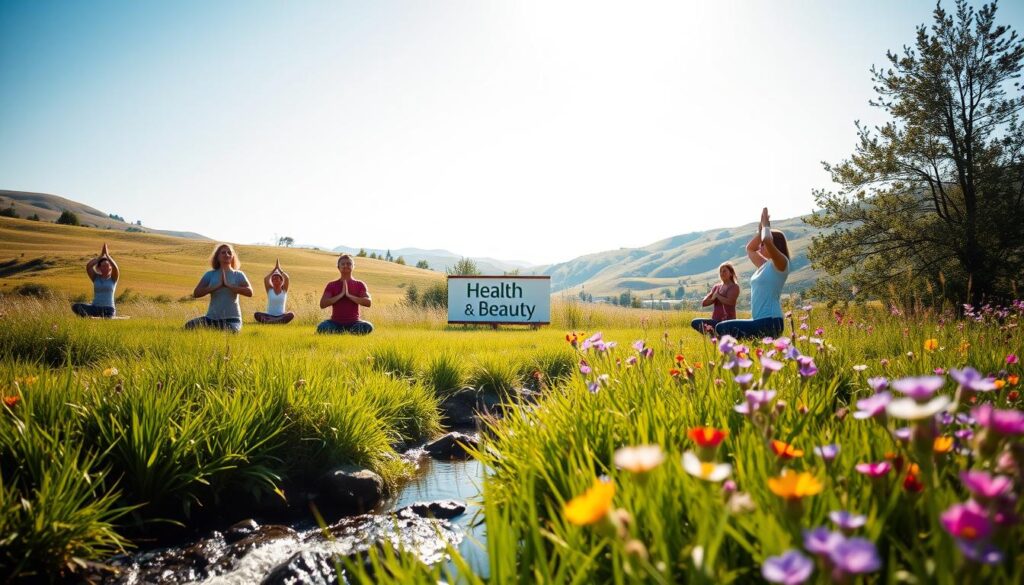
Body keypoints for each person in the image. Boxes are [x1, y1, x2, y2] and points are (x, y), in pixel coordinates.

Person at [714, 207, 790, 339]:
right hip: (759, 320)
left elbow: (767, 240)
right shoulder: (764, 265)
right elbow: (750, 248)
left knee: (722, 328)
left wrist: (766, 226)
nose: (760, 246)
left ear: (774, 245)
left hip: (770, 321)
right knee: (722, 327)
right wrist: (761, 229)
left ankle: (735, 358)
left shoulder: (781, 263)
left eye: (763, 244)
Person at [185, 243, 252, 332]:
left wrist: (230, 286)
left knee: (231, 332)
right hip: (211, 319)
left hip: (232, 320)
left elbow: (250, 292)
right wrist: (215, 287)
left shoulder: (238, 274)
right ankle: (212, 328)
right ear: (217, 257)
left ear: (232, 257)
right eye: (223, 252)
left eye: (229, 253)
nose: (227, 255)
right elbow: (196, 293)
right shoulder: (210, 274)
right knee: (189, 326)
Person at [317, 254, 373, 334]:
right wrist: (340, 295)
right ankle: (344, 331)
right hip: (335, 322)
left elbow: (368, 302)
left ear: (353, 266)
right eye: (343, 264)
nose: (345, 266)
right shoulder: (331, 285)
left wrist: (349, 296)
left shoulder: (360, 284)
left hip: (354, 323)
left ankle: (344, 331)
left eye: (349, 264)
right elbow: (322, 304)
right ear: (338, 267)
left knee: (368, 326)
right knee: (322, 327)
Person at [690, 262, 739, 334]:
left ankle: (719, 333)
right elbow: (704, 303)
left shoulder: (734, 287)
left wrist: (718, 296)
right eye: (720, 272)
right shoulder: (716, 287)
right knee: (695, 322)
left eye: (724, 271)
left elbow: (730, 302)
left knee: (720, 327)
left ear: (731, 273)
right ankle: (713, 334)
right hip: (715, 321)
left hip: (728, 321)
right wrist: (712, 298)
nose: (722, 273)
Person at [72, 243, 119, 318]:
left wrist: (107, 255)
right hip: (94, 308)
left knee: (108, 315)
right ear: (99, 268)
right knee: (75, 306)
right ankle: (92, 317)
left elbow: (116, 268)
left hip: (108, 309)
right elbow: (88, 266)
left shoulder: (113, 278)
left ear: (110, 267)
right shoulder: (95, 277)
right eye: (103, 266)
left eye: (107, 266)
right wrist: (100, 256)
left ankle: (93, 317)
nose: (106, 268)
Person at [254, 260, 295, 324]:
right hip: (269, 316)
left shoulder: (284, 290)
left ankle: (271, 322)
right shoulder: (269, 290)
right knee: (256, 314)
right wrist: (274, 269)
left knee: (291, 314)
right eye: (273, 279)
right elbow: (266, 279)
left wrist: (279, 269)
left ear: (281, 281)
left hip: (281, 316)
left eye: (277, 278)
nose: (274, 279)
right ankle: (275, 322)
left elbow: (286, 278)